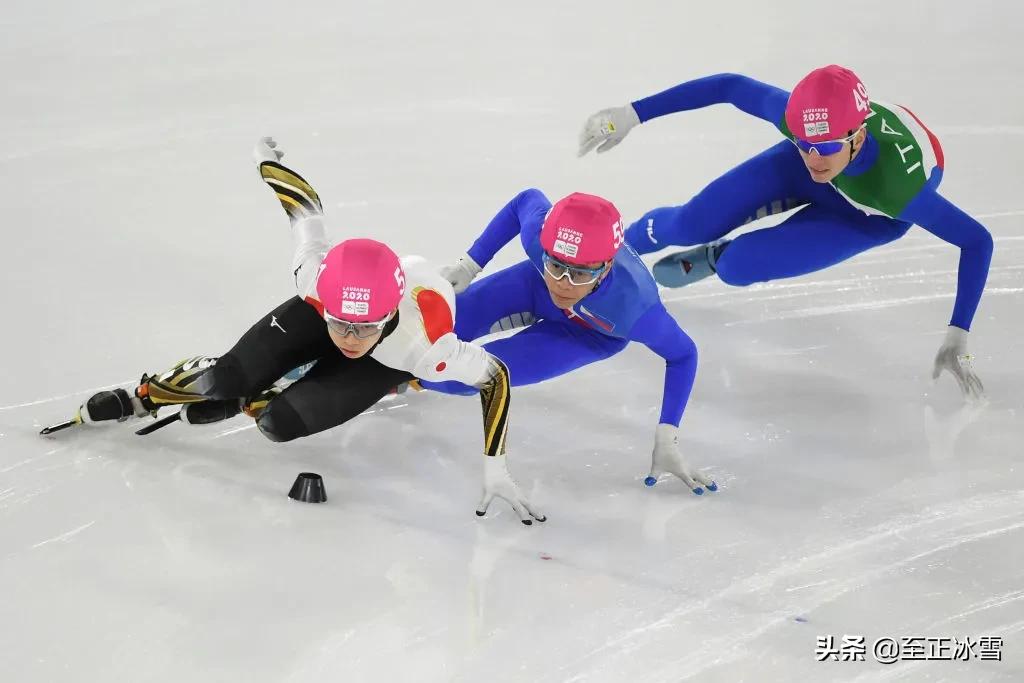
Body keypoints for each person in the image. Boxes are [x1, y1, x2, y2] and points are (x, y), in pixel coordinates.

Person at [48, 138, 543, 525]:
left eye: (364, 327)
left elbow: (494, 375)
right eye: (341, 323)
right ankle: (146, 395)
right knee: (224, 378)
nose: (350, 337)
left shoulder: (425, 346)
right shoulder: (315, 278)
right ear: (323, 301)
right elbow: (304, 210)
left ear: (388, 314)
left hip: (390, 358)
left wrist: (495, 468)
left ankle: (259, 395)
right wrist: (267, 162)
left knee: (278, 425)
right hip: (337, 318)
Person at [578, 65, 992, 400]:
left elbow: (977, 240)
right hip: (832, 172)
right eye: (801, 142)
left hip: (867, 215)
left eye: (824, 147)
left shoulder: (900, 192)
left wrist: (959, 331)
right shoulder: (814, 133)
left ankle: (718, 257)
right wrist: (632, 113)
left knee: (738, 267)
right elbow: (730, 85)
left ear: (858, 135)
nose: (814, 158)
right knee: (690, 222)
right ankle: (616, 245)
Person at [432, 190, 718, 495]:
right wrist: (469, 265)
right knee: (437, 324)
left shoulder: (635, 308)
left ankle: (408, 381)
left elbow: (683, 355)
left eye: (579, 273)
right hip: (533, 287)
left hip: (587, 335)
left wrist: (667, 435)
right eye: (556, 266)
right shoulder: (538, 239)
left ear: (606, 267)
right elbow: (525, 200)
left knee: (459, 376)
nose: (563, 284)